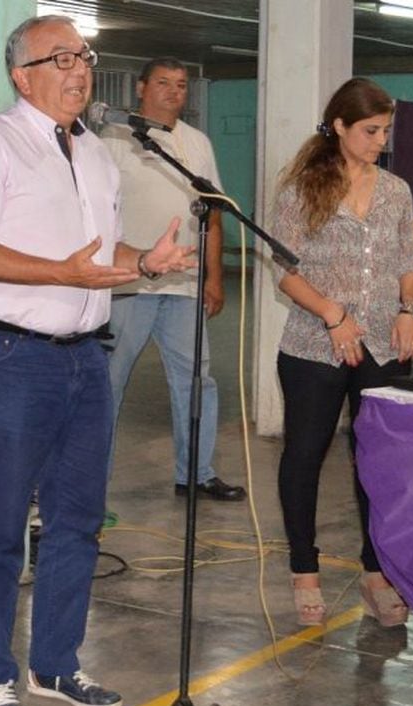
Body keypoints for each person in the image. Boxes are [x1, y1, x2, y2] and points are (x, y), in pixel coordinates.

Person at [0, 16, 194, 706]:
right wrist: (60, 273)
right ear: (22, 75)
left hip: (87, 355)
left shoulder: (95, 151)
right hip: (7, 358)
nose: (80, 70)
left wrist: (143, 261)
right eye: (62, 59)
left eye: (84, 56)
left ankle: (55, 661)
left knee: (77, 523)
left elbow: (94, 250)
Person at [270, 78, 413, 628]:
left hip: (383, 343)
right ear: (339, 126)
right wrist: (333, 315)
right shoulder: (301, 189)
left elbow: (408, 258)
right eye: (370, 130)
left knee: (378, 461)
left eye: (386, 130)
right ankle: (304, 570)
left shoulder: (397, 191)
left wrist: (410, 310)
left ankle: (376, 572)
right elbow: (285, 272)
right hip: (314, 344)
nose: (381, 139)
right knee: (305, 456)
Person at [101, 58, 245, 502]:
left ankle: (197, 474)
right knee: (108, 383)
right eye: (163, 83)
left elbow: (213, 212)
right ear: (141, 88)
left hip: (184, 285)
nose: (173, 91)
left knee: (197, 379)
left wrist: (214, 277)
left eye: (181, 85)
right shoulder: (112, 142)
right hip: (128, 283)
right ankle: (90, 484)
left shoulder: (195, 143)